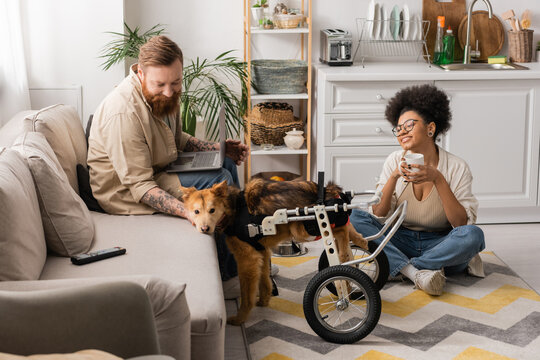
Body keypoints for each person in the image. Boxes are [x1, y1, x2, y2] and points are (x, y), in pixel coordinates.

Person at [87, 35, 247, 279]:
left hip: (158, 169)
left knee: (224, 162)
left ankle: (237, 257)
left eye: (176, 82)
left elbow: (176, 138)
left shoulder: (164, 92)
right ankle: (230, 274)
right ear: (140, 72)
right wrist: (189, 211)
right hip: (125, 191)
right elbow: (140, 186)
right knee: (217, 179)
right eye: (160, 84)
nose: (170, 92)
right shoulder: (123, 113)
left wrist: (217, 147)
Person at [350, 84, 485, 296]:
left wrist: (438, 179)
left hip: (441, 245)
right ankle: (417, 272)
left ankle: (402, 268)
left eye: (409, 125)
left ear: (431, 128)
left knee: (473, 235)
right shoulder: (394, 160)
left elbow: (460, 224)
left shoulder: (457, 167)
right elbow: (379, 213)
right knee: (355, 217)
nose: (401, 132)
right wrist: (394, 176)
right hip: (399, 239)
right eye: (398, 128)